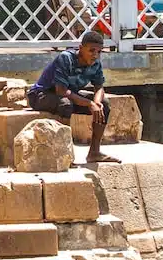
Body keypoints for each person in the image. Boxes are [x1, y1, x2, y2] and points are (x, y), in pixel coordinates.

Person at [27, 29, 120, 164]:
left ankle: (94, 152)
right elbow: (61, 91)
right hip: (41, 95)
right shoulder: (66, 58)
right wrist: (89, 104)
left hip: (67, 93)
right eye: (91, 50)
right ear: (81, 48)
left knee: (104, 105)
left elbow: (99, 87)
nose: (95, 55)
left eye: (99, 52)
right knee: (65, 104)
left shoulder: (96, 64)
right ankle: (64, 154)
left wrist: (96, 102)